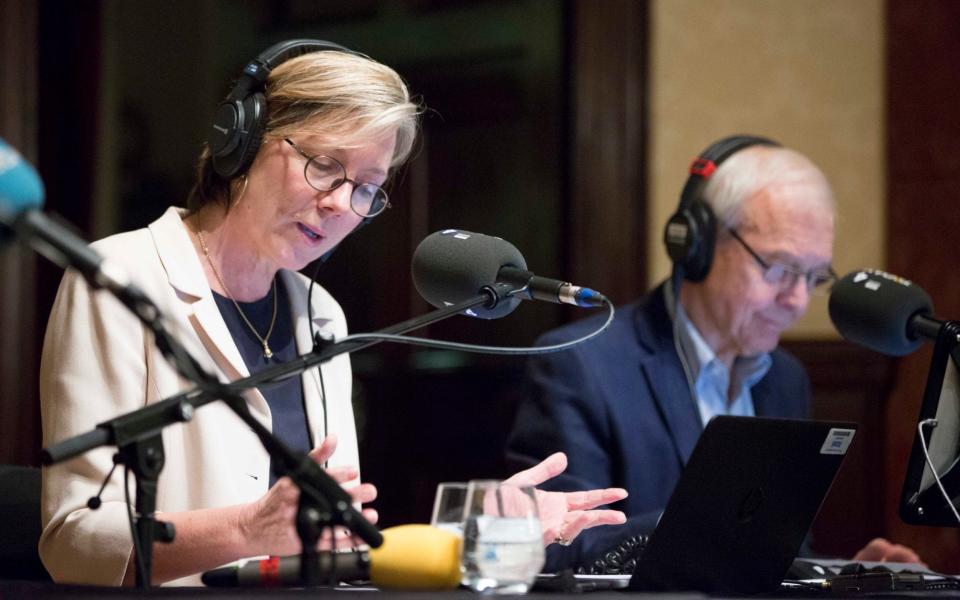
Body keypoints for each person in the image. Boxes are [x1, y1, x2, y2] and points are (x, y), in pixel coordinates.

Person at [39, 40, 626, 587]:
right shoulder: (117, 280)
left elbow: (334, 546)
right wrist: (245, 531)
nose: (342, 205)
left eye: (366, 187)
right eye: (324, 166)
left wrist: (479, 535)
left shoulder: (321, 313)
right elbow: (74, 543)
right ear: (241, 142)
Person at [506, 135, 922, 571]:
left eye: (815, 277)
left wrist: (830, 575)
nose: (798, 300)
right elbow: (556, 547)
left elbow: (775, 552)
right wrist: (703, 530)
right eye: (780, 269)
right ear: (697, 246)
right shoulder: (579, 364)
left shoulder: (785, 378)